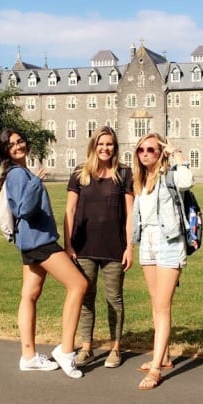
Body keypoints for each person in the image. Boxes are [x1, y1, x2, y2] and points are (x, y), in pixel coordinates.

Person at [0, 129, 88, 378]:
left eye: (20, 141)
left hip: (29, 241)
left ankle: (28, 357)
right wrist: (36, 182)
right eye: (11, 145)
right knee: (79, 284)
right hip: (39, 241)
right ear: (5, 151)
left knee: (30, 295)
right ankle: (66, 351)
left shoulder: (19, 172)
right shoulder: (17, 174)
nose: (17, 147)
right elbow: (25, 208)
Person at [64, 126, 134, 368]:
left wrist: (129, 247)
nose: (105, 148)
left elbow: (130, 212)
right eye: (101, 144)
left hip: (115, 246)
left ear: (115, 147)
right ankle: (86, 347)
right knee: (86, 297)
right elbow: (70, 210)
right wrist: (68, 244)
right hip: (84, 246)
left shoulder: (124, 173)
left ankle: (115, 347)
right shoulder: (79, 173)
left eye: (110, 144)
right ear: (94, 145)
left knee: (114, 298)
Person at [132, 133, 194, 390]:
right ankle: (165, 355)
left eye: (151, 150)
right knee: (155, 302)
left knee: (162, 306)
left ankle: (156, 367)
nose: (145, 153)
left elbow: (188, 181)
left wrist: (175, 152)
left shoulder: (170, 175)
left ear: (160, 153)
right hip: (147, 243)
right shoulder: (140, 179)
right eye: (141, 150)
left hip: (169, 242)